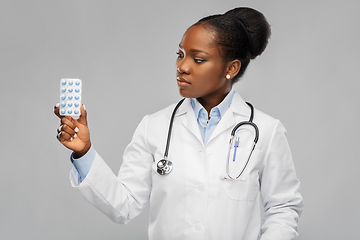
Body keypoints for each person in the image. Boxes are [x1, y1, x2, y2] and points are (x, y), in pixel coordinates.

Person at [54, 7, 303, 240]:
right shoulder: (154, 126)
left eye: (198, 59)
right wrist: (84, 152)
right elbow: (123, 205)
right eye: (180, 54)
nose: (182, 67)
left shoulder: (267, 131)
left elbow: (283, 208)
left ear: (231, 68)